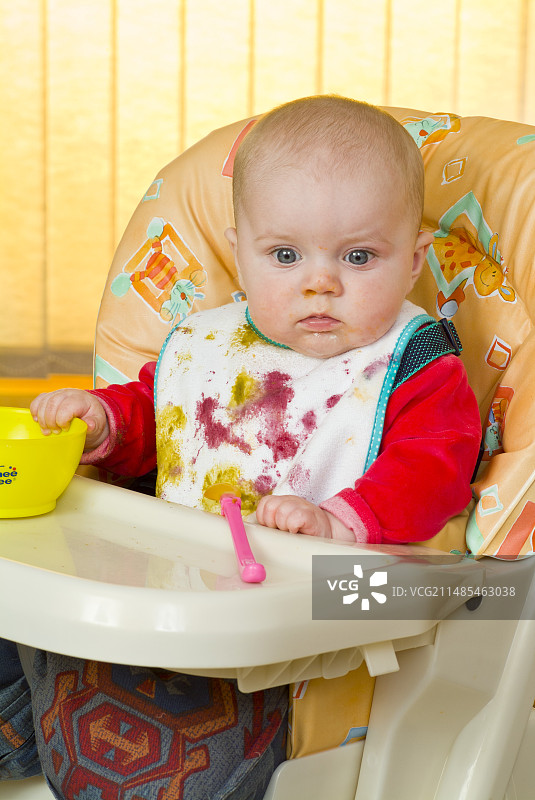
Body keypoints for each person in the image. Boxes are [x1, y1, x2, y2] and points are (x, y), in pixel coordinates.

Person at [14, 96, 481, 797]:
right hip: (162, 581)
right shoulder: (209, 341)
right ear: (239, 254)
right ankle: (30, 721)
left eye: (358, 256)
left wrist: (340, 519)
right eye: (284, 255)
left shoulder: (411, 365)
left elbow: (433, 471)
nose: (319, 281)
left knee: (161, 770)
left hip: (291, 625)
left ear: (413, 260)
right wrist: (102, 422)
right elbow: (155, 419)